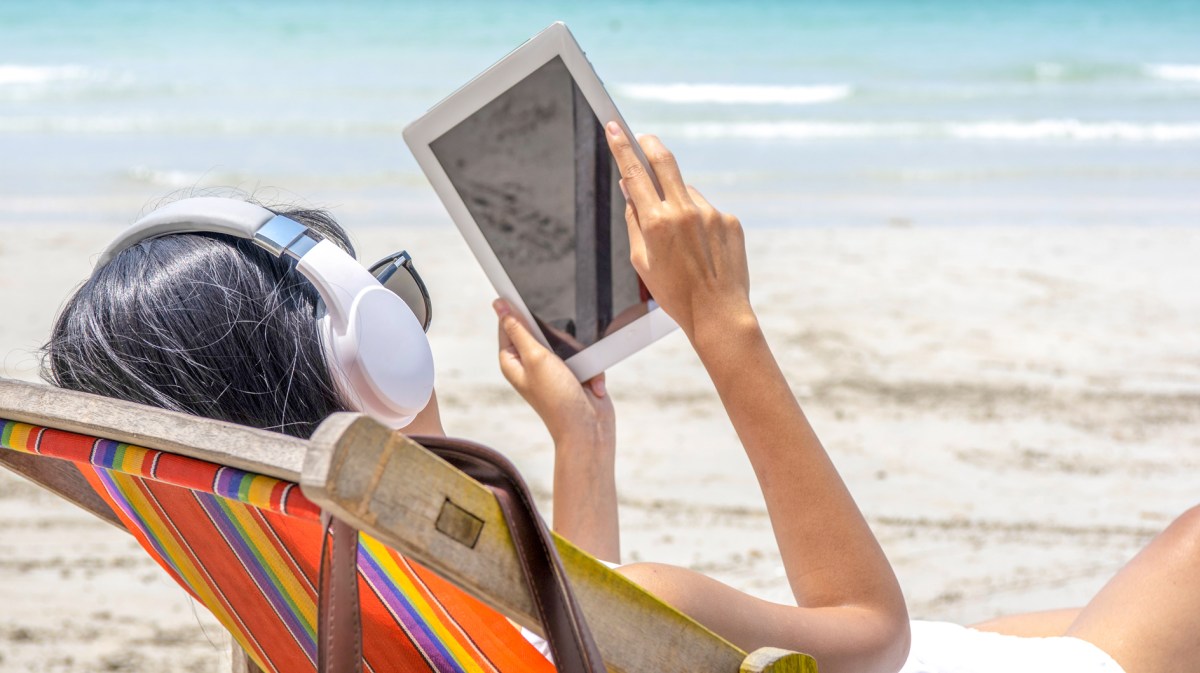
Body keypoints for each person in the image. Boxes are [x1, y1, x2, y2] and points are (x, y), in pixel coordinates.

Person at [41, 126, 1198, 673]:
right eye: (391, 300)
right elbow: (872, 629)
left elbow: (557, 638)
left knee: (1041, 620)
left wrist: (582, 444)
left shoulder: (302, 619)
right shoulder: (651, 600)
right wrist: (725, 325)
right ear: (370, 356)